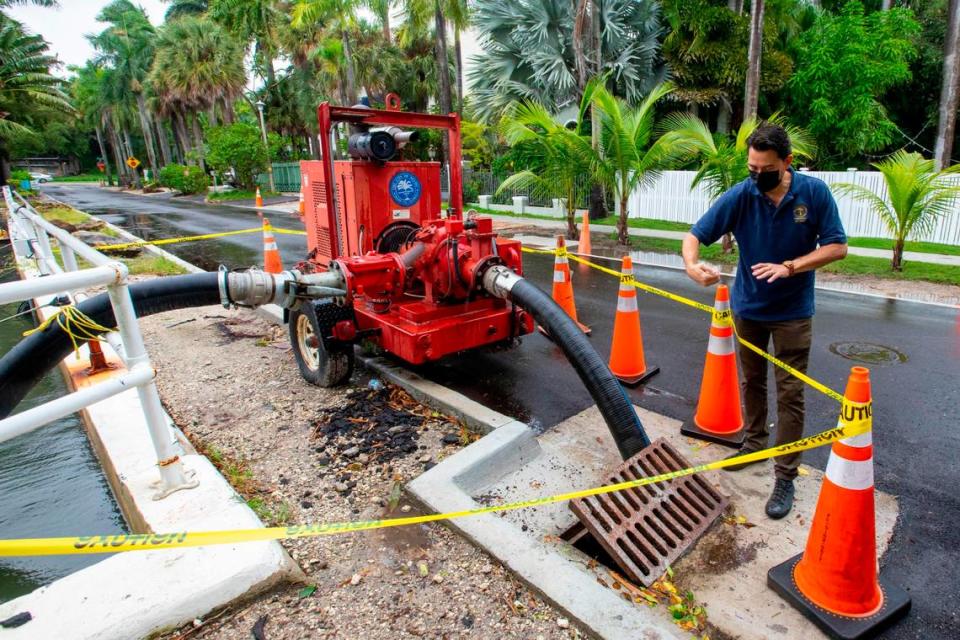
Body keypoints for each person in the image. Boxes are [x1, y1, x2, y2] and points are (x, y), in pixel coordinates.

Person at [681, 123, 848, 519]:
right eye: (752, 168)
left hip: (792, 313)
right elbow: (694, 235)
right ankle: (754, 443)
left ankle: (785, 474)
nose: (757, 176)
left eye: (765, 169)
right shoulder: (743, 194)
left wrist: (791, 267)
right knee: (751, 381)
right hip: (748, 310)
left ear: (787, 163)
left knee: (790, 393)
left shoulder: (814, 193)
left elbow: (838, 247)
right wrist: (691, 266)